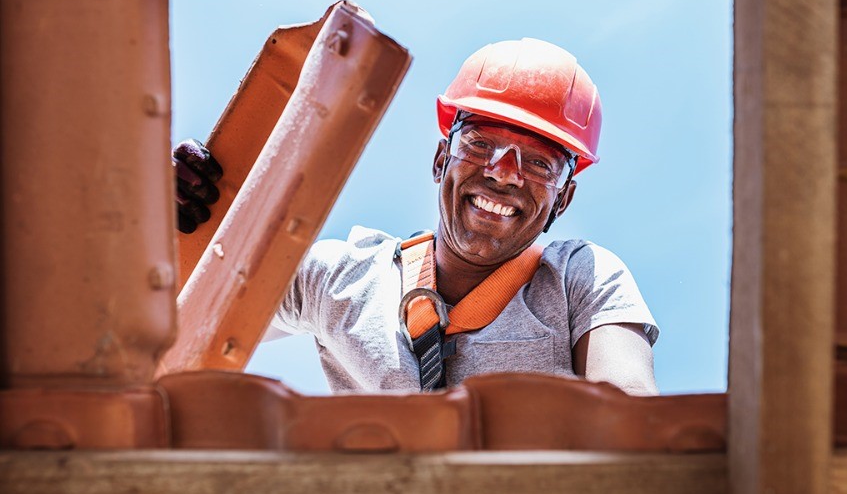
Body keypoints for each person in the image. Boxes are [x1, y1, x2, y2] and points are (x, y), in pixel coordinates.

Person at [176, 38, 658, 395]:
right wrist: (170, 221)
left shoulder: (581, 281)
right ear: (438, 161)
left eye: (537, 163)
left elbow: (628, 414)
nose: (504, 174)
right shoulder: (342, 278)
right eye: (480, 144)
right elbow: (198, 314)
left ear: (562, 200)